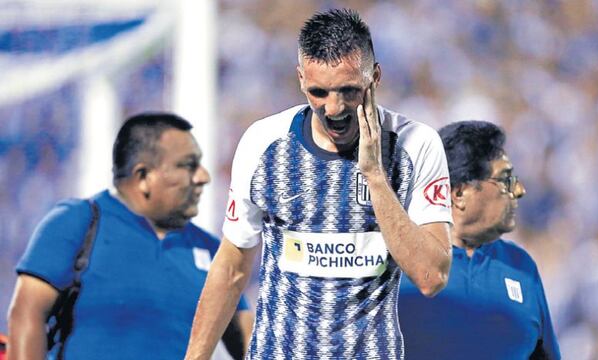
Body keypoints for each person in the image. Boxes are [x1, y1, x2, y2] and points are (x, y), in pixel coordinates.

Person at [185, 8, 453, 360]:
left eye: (348, 90)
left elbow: (431, 276)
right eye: (319, 92)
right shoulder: (263, 143)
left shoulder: (415, 144)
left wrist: (374, 174)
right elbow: (233, 266)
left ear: (375, 77)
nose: (334, 107)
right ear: (300, 79)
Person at [7, 113, 253, 360]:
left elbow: (253, 343)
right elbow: (27, 315)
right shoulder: (77, 222)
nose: (203, 177)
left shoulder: (211, 249)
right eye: (188, 165)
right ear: (143, 176)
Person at [398, 120, 561, 359]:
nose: (518, 190)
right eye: (505, 180)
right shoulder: (394, 264)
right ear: (460, 193)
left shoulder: (521, 266)